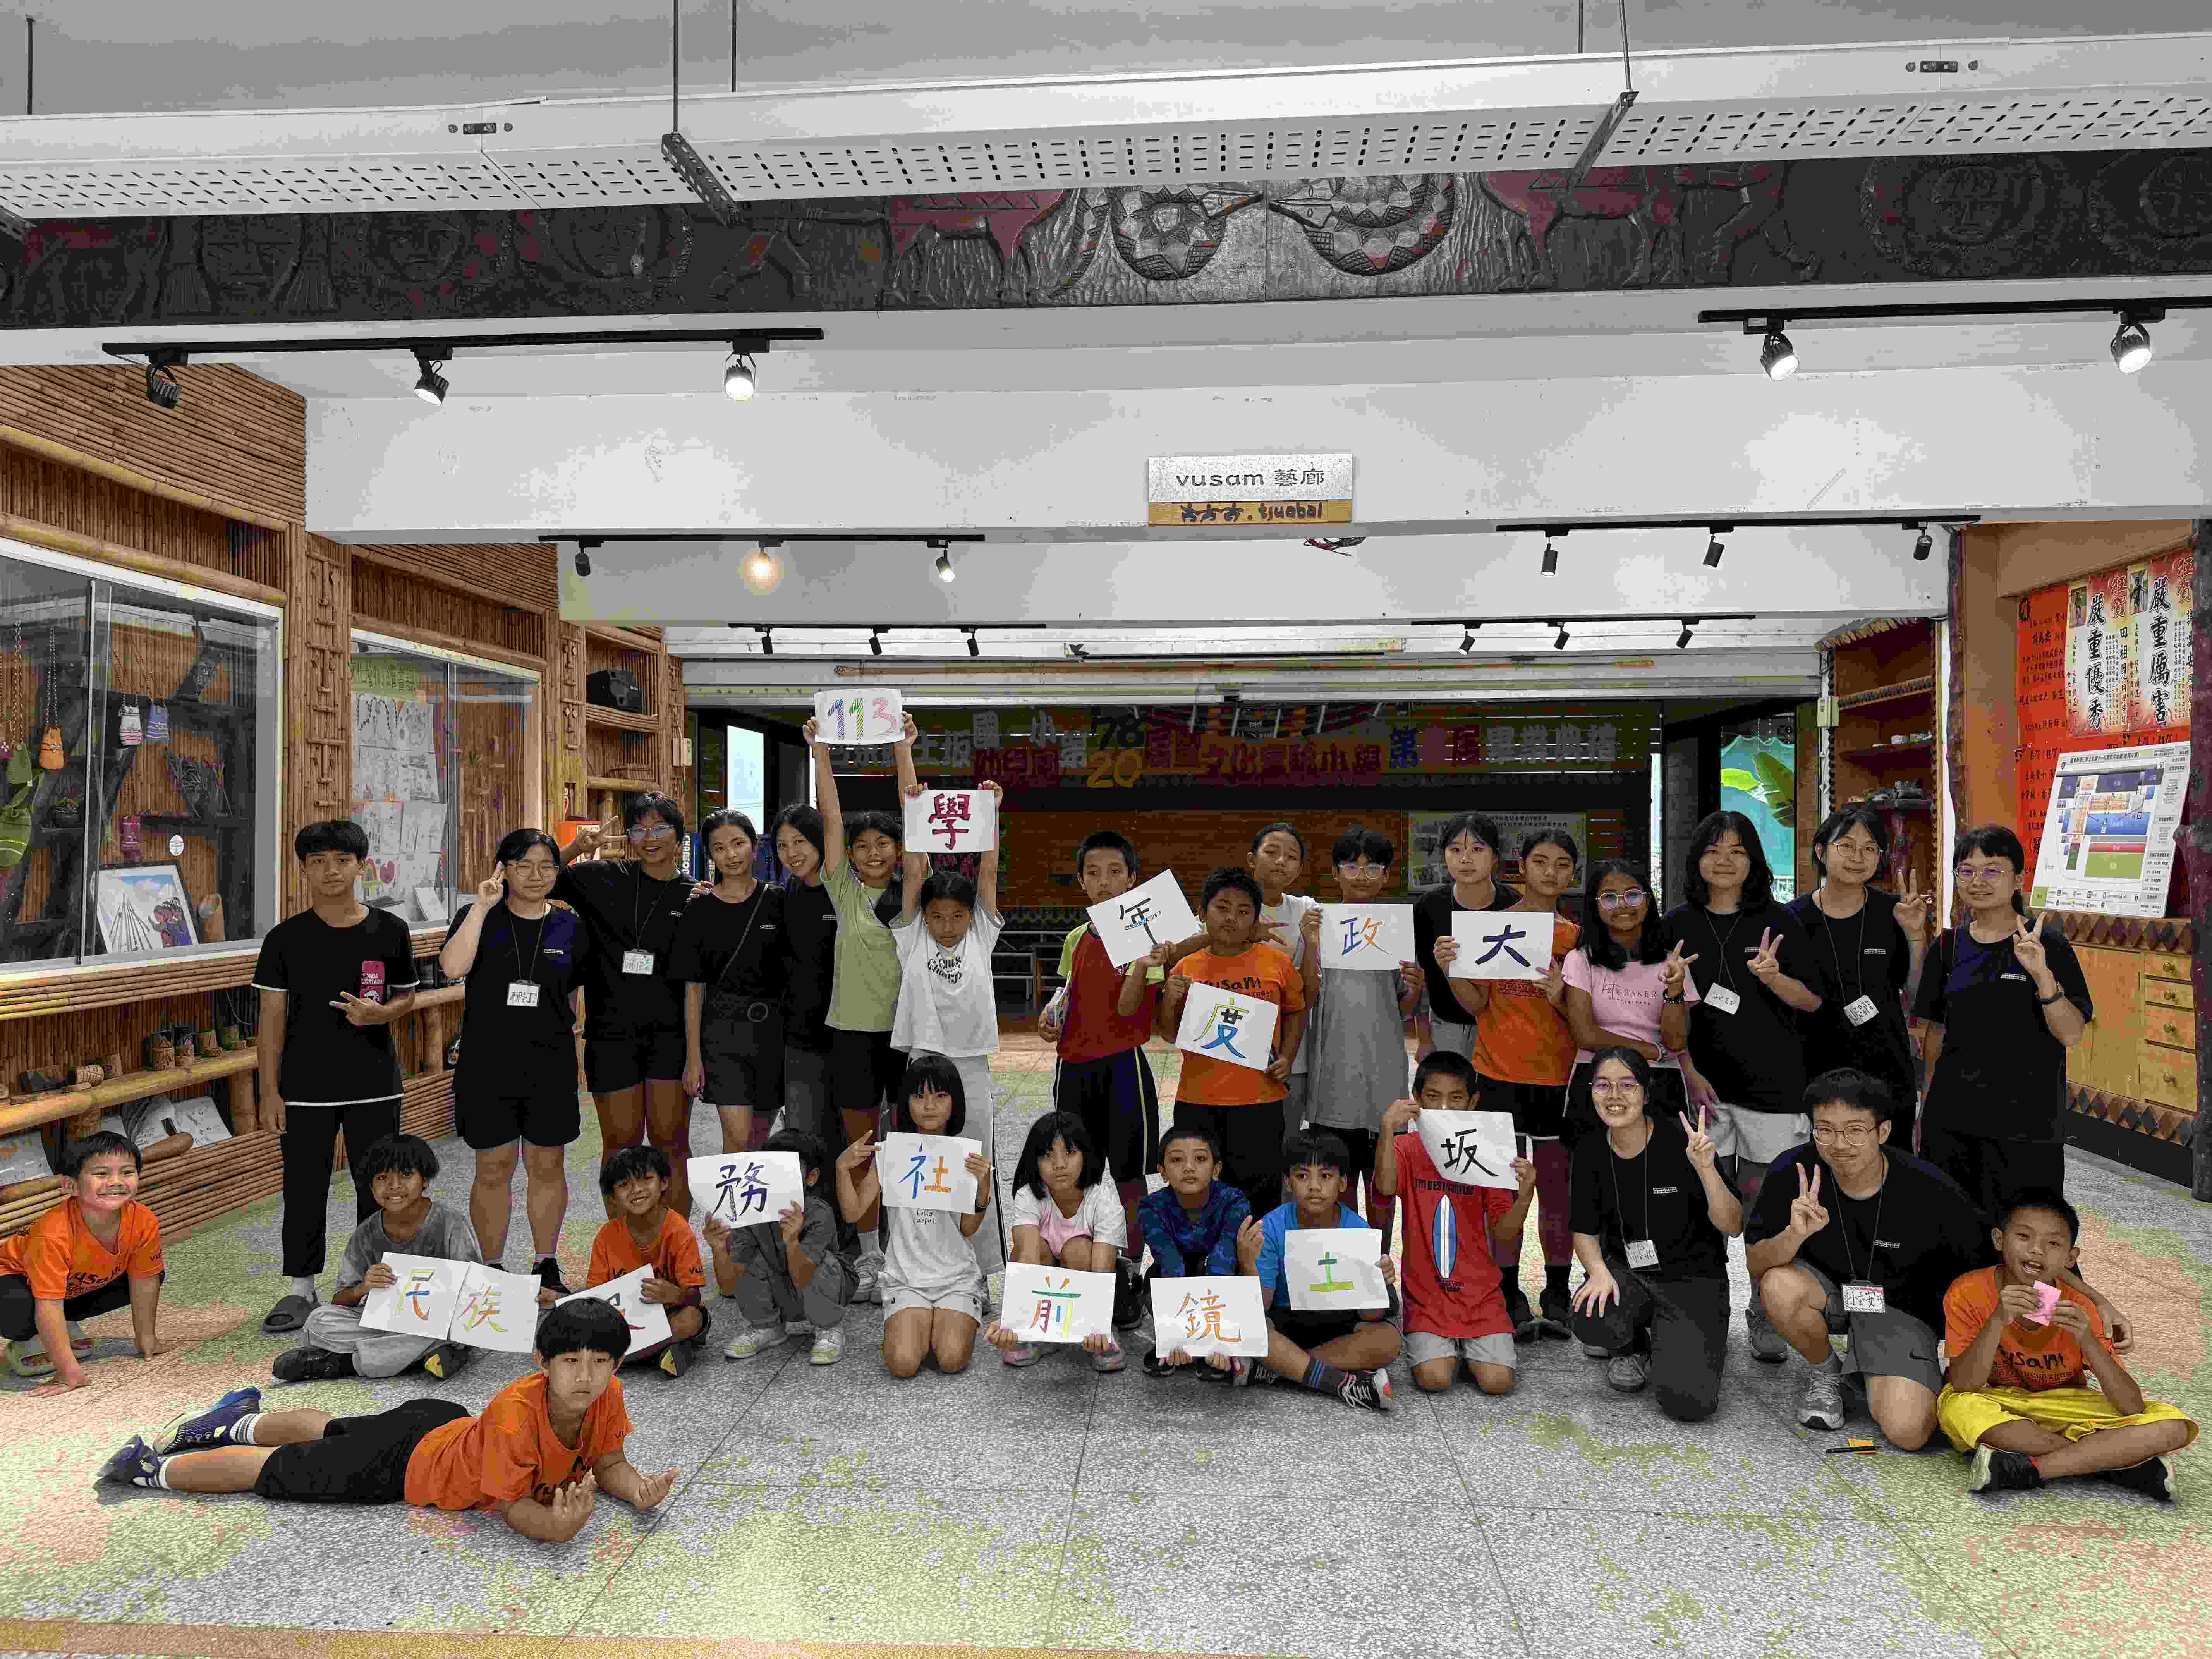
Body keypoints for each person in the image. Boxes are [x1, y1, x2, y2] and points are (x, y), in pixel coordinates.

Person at [97, 1300, 679, 1544]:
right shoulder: (514, 1416)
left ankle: (236, 1420)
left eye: (600, 1362)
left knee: (335, 1428)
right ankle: (151, 1470)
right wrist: (556, 1528)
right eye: (571, 1362)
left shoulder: (609, 1395)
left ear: (617, 1365)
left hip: (442, 1422)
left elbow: (610, 1462)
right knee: (273, 1471)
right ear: (542, 1363)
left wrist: (637, 1490)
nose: (586, 1376)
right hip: (404, 1467)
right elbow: (511, 1507)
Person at [1745, 1068, 1997, 1447]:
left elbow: (1985, 1268)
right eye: (1825, 1130)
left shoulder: (1928, 1189)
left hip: (1899, 1310)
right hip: (1828, 1296)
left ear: (1883, 1132)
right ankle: (1827, 1371)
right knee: (1779, 1285)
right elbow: (1756, 1263)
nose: (1839, 1144)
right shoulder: (1793, 1170)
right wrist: (1794, 1235)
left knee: (1909, 1432)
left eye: (1855, 1131)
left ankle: (1874, 1371)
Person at [1665, 809, 1822, 1362]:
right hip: (1703, 1090)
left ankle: (1764, 1310)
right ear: (1696, 861)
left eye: (1737, 851)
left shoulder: (1780, 921)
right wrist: (1687, 1068)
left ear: (1754, 860)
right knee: (1704, 1207)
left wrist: (1775, 978)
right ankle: (1708, 1312)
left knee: (1765, 1207)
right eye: (1713, 851)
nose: (1725, 861)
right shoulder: (1677, 923)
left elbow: (1813, 1001)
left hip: (1773, 1092)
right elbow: (1667, 1010)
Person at [253, 819, 421, 1335]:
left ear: (360, 867)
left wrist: (382, 1014)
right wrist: (269, 1091)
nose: (331, 871)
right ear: (304, 871)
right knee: (304, 1186)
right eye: (318, 862)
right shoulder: (285, 939)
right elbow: (270, 1021)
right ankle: (300, 1286)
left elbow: (407, 995)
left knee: (381, 1186)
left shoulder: (390, 930)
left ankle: (370, 1283)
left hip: (374, 1081)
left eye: (342, 861)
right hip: (305, 1087)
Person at [1940, 1188, 2194, 1499]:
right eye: (2024, 1237)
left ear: (2070, 1258)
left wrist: (2088, 1340)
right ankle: (2115, 1464)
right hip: (1995, 1399)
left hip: (2067, 1403)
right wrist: (1996, 1322)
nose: (2037, 1251)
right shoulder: (1967, 1291)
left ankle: (2035, 1468)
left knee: (2174, 1426)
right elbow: (1964, 1384)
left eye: (2053, 1244)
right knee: (1958, 1407)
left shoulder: (2082, 1306)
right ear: (1999, 1240)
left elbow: (2132, 1406)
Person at [1913, 824, 2092, 1221]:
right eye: (1967, 871)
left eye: (1992, 870)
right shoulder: (1947, 947)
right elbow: (1936, 1036)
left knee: (2027, 1236)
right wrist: (1926, 1108)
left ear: (2017, 880)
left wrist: (2042, 975)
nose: (1978, 881)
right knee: (1953, 1230)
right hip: (1952, 1126)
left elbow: (2071, 1033)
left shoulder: (2049, 945)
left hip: (2027, 1129)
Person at [439, 828, 584, 1292]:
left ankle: (546, 1263)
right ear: (504, 870)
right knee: (493, 1167)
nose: (536, 876)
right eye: (523, 866)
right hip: (488, 1064)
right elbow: (453, 968)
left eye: (546, 866)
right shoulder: (479, 915)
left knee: (548, 1166)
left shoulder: (569, 925)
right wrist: (482, 906)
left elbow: (575, 991)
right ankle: (493, 1268)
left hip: (550, 1064)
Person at [809, 711, 919, 1304]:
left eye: (884, 844)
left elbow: (916, 813)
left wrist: (904, 748)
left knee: (909, 1146)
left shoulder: (914, 892)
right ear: (849, 854)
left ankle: (907, 1252)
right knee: (862, 1147)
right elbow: (831, 816)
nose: (873, 852)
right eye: (863, 845)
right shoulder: (843, 890)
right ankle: (871, 1257)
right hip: (851, 1034)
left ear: (899, 851)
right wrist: (821, 752)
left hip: (907, 1037)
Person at [1567, 1049, 1740, 1420]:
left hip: (1692, 1279)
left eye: (1627, 1085)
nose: (1615, 1095)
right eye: (1603, 1085)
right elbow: (1583, 1230)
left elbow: (1733, 1225)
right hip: (1630, 1272)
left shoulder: (1683, 1142)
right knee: (1590, 1314)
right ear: (1591, 1091)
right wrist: (1598, 1273)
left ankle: (1686, 1339)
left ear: (1646, 1094)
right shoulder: (1590, 1149)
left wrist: (1707, 1170)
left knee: (1689, 1403)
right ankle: (1633, 1346)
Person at [1460, 827, 1584, 1340]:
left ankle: (1557, 1289)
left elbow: (1586, 1021)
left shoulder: (1577, 939)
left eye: (1562, 864)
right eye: (1540, 862)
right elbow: (1476, 1004)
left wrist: (1560, 997)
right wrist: (1451, 969)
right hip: (1497, 1076)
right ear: (1521, 867)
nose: (1550, 872)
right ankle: (1507, 1289)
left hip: (1557, 1081)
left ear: (1572, 874)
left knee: (1557, 1191)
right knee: (1503, 1190)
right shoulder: (1491, 928)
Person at [555, 794, 698, 1221]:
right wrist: (575, 848)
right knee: (620, 1146)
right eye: (639, 828)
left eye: (660, 828)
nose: (649, 838)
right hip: (611, 1034)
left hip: (671, 1038)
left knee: (672, 1144)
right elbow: (535, 878)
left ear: (679, 837)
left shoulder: (695, 896)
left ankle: (674, 1244)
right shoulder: (602, 877)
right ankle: (624, 1247)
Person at [1045, 829, 1169, 1317]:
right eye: (1093, 873)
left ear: (1133, 879)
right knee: (1076, 1174)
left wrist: (1140, 965)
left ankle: (1131, 1266)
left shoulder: (1148, 941)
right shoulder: (1076, 938)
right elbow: (1066, 998)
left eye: (1115, 872)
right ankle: (1081, 1262)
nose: (1104, 882)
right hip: (1073, 1070)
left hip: (1123, 1069)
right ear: (1081, 881)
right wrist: (1049, 1019)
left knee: (1130, 1176)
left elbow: (1131, 1009)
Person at [891, 773, 1008, 1283]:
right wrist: (914, 810)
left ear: (970, 916)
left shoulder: (981, 933)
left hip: (972, 1063)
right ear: (924, 916)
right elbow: (915, 871)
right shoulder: (912, 935)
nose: (946, 926)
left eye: (956, 917)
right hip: (924, 1058)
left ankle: (985, 1266)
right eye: (937, 917)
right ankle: (921, 1261)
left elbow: (989, 874)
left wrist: (992, 813)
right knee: (925, 1160)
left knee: (975, 1161)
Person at [1374, 1054, 1533, 1397]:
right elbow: (1385, 1188)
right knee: (1435, 1379)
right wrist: (1387, 1130)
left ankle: (1469, 1343)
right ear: (1417, 1099)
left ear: (1473, 1102)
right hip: (1427, 1295)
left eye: (1456, 1098)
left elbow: (1504, 1233)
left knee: (1498, 1383)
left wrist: (1525, 1195)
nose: (1444, 1108)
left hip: (1481, 1294)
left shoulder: (1489, 1151)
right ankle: (1442, 1345)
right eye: (1433, 1097)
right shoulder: (1405, 1148)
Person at [1159, 868, 1309, 1221]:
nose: (1232, 918)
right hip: (1198, 1101)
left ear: (1255, 919)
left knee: (1260, 1196)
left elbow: (1296, 1011)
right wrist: (1169, 999)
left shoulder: (1277, 963)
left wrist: (1288, 1056)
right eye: (1222, 908)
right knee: (1198, 1198)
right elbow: (1169, 1033)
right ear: (1202, 913)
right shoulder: (1186, 967)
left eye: (1244, 911)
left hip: (1261, 1102)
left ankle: (1258, 1257)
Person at [274, 1133, 482, 1384]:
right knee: (318, 1321)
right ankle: (427, 1355)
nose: (394, 1186)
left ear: (425, 1180)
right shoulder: (366, 1233)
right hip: (386, 1321)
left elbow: (477, 1291)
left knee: (461, 1328)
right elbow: (340, 1299)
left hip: (438, 1319)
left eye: (406, 1175)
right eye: (383, 1178)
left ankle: (345, 1364)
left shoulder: (451, 1224)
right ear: (372, 1188)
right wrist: (364, 1287)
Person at [835, 1054, 994, 1378]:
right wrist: (842, 1169)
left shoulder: (964, 1156)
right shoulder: (891, 1152)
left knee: (951, 1360)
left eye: (940, 1096)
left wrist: (983, 1191)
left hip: (956, 1278)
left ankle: (949, 1320)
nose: (930, 1106)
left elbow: (967, 1229)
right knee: (903, 1364)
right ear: (906, 1103)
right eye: (919, 1096)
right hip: (905, 1279)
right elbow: (853, 1212)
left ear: (955, 1102)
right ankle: (909, 1328)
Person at [1302, 825, 1422, 1252]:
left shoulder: (1395, 929)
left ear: (1386, 875)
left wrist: (1416, 987)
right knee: (1337, 1181)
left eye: (1373, 868)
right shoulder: (1321, 925)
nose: (1362, 876)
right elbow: (1306, 995)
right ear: (1336, 873)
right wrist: (1311, 944)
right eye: (1352, 866)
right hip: (1333, 1077)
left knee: (1383, 1182)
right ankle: (1348, 1262)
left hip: (1384, 1076)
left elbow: (1404, 1009)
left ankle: (1381, 1262)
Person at [1789, 806, 1930, 1141]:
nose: (1858, 857)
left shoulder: (1896, 911)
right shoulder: (1793, 918)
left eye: (1870, 848)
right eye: (1847, 846)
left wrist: (1915, 935)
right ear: (1821, 851)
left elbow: (1917, 994)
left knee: (1892, 1165)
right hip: (1816, 1074)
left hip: (1886, 1073)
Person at [1237, 1128, 1402, 1412]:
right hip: (1287, 1321)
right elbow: (1260, 1308)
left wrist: (1380, 1280)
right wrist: (1248, 1264)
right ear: (1288, 1182)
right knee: (1254, 1331)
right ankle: (1342, 1383)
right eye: (1303, 1177)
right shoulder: (1272, 1227)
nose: (1314, 1186)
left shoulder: (1357, 1229)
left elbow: (1370, 1315)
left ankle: (1279, 1369)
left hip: (1338, 1325)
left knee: (1389, 1340)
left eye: (1325, 1177)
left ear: (1342, 1183)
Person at [1, 1131, 167, 1391]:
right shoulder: (53, 1234)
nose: (116, 1182)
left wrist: (147, 1338)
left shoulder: (143, 1220)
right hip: (13, 1283)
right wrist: (67, 1371)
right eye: (101, 1174)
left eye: (127, 1172)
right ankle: (31, 1340)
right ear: (72, 1186)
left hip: (68, 1287)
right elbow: (48, 1303)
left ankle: (61, 1328)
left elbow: (145, 1281)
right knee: (17, 1308)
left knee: (152, 1275)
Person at [673, 809, 788, 1158]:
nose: (731, 855)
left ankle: (751, 1196)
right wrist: (694, 1058)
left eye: (738, 844)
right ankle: (732, 1197)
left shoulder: (779, 901)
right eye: (720, 848)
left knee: (760, 1140)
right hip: (723, 1035)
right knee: (737, 1140)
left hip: (774, 1035)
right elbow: (694, 990)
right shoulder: (698, 911)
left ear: (755, 847)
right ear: (710, 855)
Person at [1562, 859, 1700, 1131]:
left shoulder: (1672, 963)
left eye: (1633, 895)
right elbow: (1585, 1036)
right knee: (1593, 1157)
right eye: (1609, 898)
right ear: (1595, 906)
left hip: (1660, 1080)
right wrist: (1651, 1051)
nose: (1623, 905)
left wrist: (1674, 991)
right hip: (1597, 1076)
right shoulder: (1580, 960)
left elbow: (1676, 1043)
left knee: (1663, 1157)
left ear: (1648, 901)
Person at [985, 1112, 1129, 1372]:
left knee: (1078, 1248)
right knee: (1028, 1248)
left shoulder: (1103, 1198)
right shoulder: (1028, 1196)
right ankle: (1039, 1331)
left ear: (1086, 1155)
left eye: (1070, 1153)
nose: (1060, 1164)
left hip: (1096, 1285)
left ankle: (1102, 1330)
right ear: (1034, 1161)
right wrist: (1014, 1320)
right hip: (1047, 1292)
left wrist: (1099, 1323)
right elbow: (1027, 1259)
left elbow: (1104, 1268)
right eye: (1048, 1155)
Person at [708, 1129, 854, 1367]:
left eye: (789, 1170)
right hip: (782, 1289)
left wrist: (792, 1240)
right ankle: (767, 1326)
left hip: (823, 1290)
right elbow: (729, 1285)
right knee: (748, 1259)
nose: (778, 1178)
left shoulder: (819, 1213)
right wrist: (717, 1249)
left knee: (822, 1261)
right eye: (772, 1169)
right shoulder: (750, 1214)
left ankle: (829, 1328)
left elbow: (804, 1275)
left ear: (811, 1177)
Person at [575, 1146, 709, 1377]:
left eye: (646, 1179)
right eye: (624, 1184)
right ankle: (664, 1352)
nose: (637, 1190)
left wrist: (674, 1295)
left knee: (692, 1318)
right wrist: (558, 1300)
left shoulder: (678, 1229)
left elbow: (694, 1297)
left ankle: (613, 1359)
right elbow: (594, 1298)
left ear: (664, 1183)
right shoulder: (607, 1236)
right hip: (625, 1322)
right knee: (576, 1327)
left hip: (670, 1315)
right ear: (612, 1197)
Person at [1137, 1123, 1253, 1378]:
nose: (1189, 1168)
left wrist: (1215, 1338)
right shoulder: (1151, 1208)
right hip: (1175, 1278)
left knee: (1222, 1266)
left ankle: (1217, 1345)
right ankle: (1169, 1345)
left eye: (1200, 1159)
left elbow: (1224, 1259)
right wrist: (1176, 1334)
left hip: (1219, 1280)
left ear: (1216, 1170)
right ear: (1162, 1172)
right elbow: (1169, 1261)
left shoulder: (1235, 1202)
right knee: (1154, 1278)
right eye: (1177, 1160)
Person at [1412, 811, 1520, 1062]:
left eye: (1477, 849)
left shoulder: (1514, 904)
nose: (1466, 859)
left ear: (1495, 856)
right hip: (1446, 1026)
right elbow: (1421, 978)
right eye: (1456, 850)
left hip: (1504, 1027)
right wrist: (1424, 1040)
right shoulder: (1428, 907)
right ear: (1444, 855)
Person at [1249, 821, 1322, 1185]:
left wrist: (1311, 942)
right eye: (1272, 852)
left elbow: (1312, 989)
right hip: (1238, 1039)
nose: (1281, 861)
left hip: (1292, 1047)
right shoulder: (1233, 905)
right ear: (1252, 859)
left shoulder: (1306, 909)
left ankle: (1285, 1213)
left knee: (1287, 1141)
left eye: (1291, 857)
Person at [771, 804, 840, 1150]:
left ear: (819, 839)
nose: (792, 853)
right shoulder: (784, 896)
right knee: (805, 1140)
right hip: (800, 1039)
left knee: (852, 1138)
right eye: (782, 846)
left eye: (799, 841)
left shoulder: (846, 892)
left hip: (849, 1037)